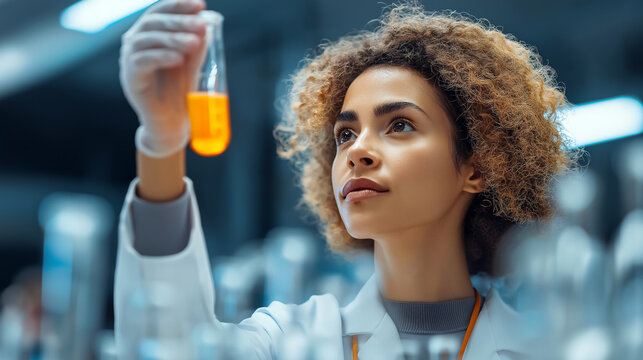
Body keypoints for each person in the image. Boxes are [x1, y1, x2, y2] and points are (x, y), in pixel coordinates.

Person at [116, 0, 573, 358]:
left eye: (399, 125)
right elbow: (167, 346)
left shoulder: (551, 349)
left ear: (477, 166)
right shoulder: (291, 342)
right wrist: (162, 142)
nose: (357, 152)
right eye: (346, 134)